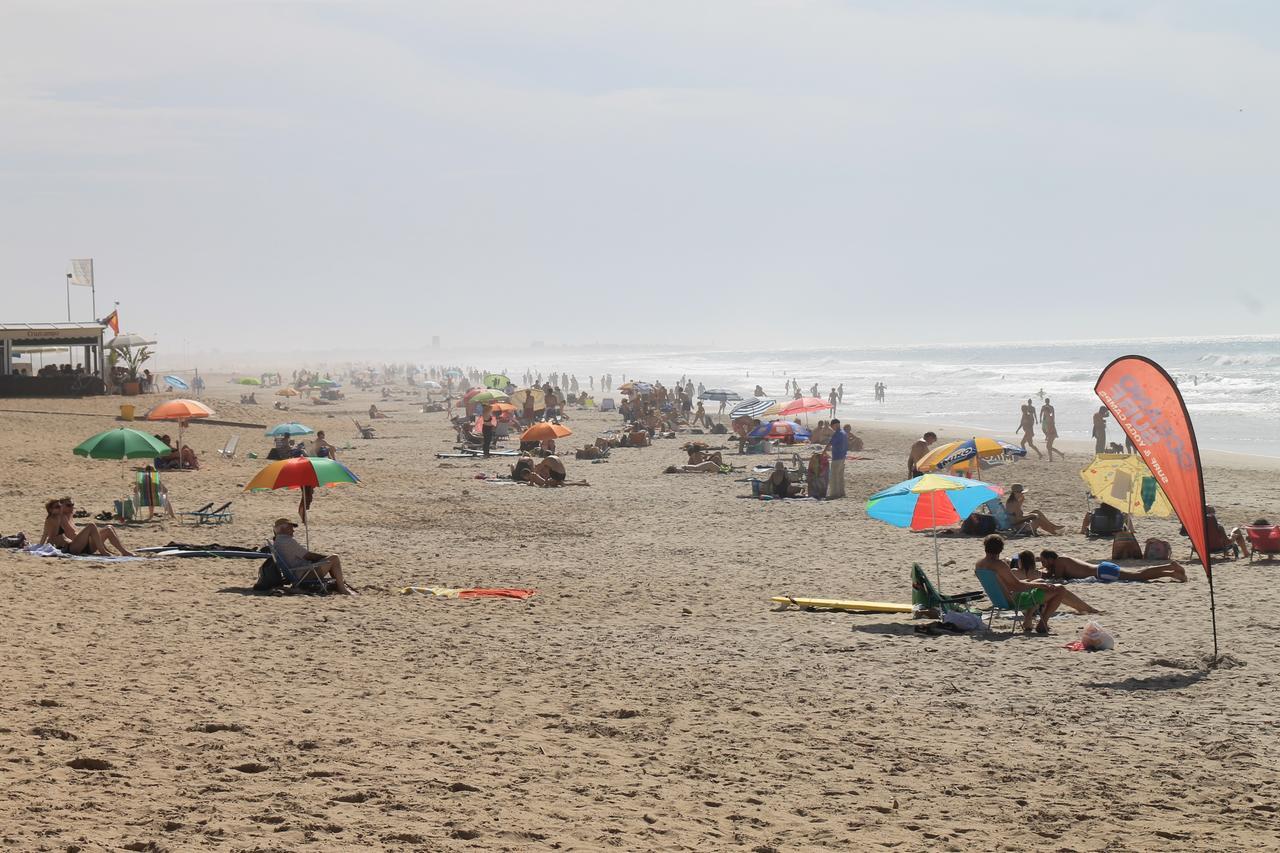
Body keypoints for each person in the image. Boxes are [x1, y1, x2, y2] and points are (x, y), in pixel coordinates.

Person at [976, 535, 1074, 634]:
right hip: (1014, 601)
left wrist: (1032, 583)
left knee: (1037, 583)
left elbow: (1010, 584)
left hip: (997, 600)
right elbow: (1017, 586)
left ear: (985, 547)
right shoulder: (1000, 565)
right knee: (1060, 589)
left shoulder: (979, 564)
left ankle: (1029, 620)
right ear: (1001, 549)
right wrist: (1037, 585)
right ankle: (1042, 624)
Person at [271, 518, 355, 595]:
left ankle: (340, 585)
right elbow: (308, 556)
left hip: (297, 572)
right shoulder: (287, 541)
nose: (293, 531)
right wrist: (325, 558)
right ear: (282, 528)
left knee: (329, 560)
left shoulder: (278, 541)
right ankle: (342, 588)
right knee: (334, 558)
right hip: (304, 574)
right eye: (290, 527)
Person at [1009, 550, 1100, 613]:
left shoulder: (1013, 572)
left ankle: (1085, 608)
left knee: (1058, 590)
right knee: (1060, 591)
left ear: (1020, 562)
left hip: (1023, 600)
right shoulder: (1037, 573)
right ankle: (1086, 608)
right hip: (1029, 602)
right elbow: (1048, 575)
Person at [1038, 550, 1186, 583]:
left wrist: (1042, 575)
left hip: (1102, 572)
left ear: (1051, 559)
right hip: (1102, 567)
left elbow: (1057, 579)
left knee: (1139, 576)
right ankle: (1171, 571)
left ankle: (1170, 570)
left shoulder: (1059, 563)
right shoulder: (1063, 559)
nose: (1043, 564)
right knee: (1139, 574)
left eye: (1044, 561)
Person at [56, 497, 133, 556]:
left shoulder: (70, 516)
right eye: (68, 505)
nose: (71, 507)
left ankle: (123, 552)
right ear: (61, 506)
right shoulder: (61, 517)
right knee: (91, 526)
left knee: (109, 528)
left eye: (72, 505)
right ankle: (103, 552)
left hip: (84, 546)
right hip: (72, 548)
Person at [826, 418, 848, 499]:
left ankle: (835, 493)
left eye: (832, 426)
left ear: (835, 425)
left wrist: (824, 452)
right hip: (843, 457)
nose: (832, 428)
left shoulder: (838, 433)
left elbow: (830, 443)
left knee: (834, 476)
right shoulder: (844, 433)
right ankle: (841, 492)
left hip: (837, 457)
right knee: (840, 476)